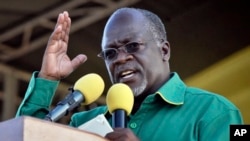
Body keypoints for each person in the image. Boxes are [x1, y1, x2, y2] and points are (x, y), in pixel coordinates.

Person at [16, 8, 243, 140]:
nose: (121, 58)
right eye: (110, 53)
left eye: (133, 46)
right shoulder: (82, 123)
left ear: (164, 50)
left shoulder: (216, 112)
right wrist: (47, 79)